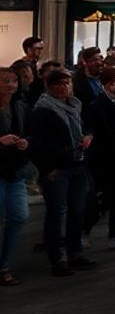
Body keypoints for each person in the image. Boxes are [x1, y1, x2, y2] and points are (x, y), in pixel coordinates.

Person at [27, 67, 94, 275]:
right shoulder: (43, 110)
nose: (64, 88)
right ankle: (58, 258)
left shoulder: (75, 106)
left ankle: (75, 253)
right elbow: (37, 143)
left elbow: (83, 128)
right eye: (59, 84)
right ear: (49, 86)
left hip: (77, 164)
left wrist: (87, 137)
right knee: (57, 213)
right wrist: (48, 167)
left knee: (76, 210)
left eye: (67, 83)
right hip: (57, 168)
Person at [84, 65, 115, 250]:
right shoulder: (99, 104)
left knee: (114, 198)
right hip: (106, 157)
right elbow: (104, 129)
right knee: (102, 198)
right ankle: (85, 230)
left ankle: (114, 234)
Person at [0, 66, 31, 285]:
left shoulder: (19, 106)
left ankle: (4, 261)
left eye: (14, 81)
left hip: (14, 169)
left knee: (19, 215)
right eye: (6, 81)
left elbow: (29, 132)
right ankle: (3, 267)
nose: (11, 85)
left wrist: (25, 141)